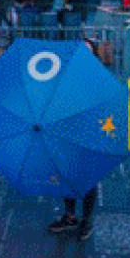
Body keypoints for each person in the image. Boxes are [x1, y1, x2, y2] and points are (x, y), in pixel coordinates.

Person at [47, 37, 105, 242]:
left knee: (88, 178)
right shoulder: (61, 77)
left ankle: (86, 220)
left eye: (87, 52)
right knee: (66, 175)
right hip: (65, 134)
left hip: (89, 135)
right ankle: (70, 215)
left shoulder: (99, 78)